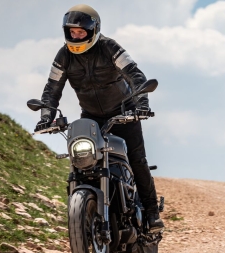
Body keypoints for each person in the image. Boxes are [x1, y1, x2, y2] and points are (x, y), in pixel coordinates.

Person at [35, 4, 164, 232]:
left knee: (136, 160)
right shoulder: (64, 55)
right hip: (91, 117)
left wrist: (141, 105)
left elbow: (135, 75)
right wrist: (47, 115)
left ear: (93, 30)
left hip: (124, 112)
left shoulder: (109, 47)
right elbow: (52, 89)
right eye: (71, 32)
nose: (75, 36)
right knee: (83, 162)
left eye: (81, 32)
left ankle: (152, 212)